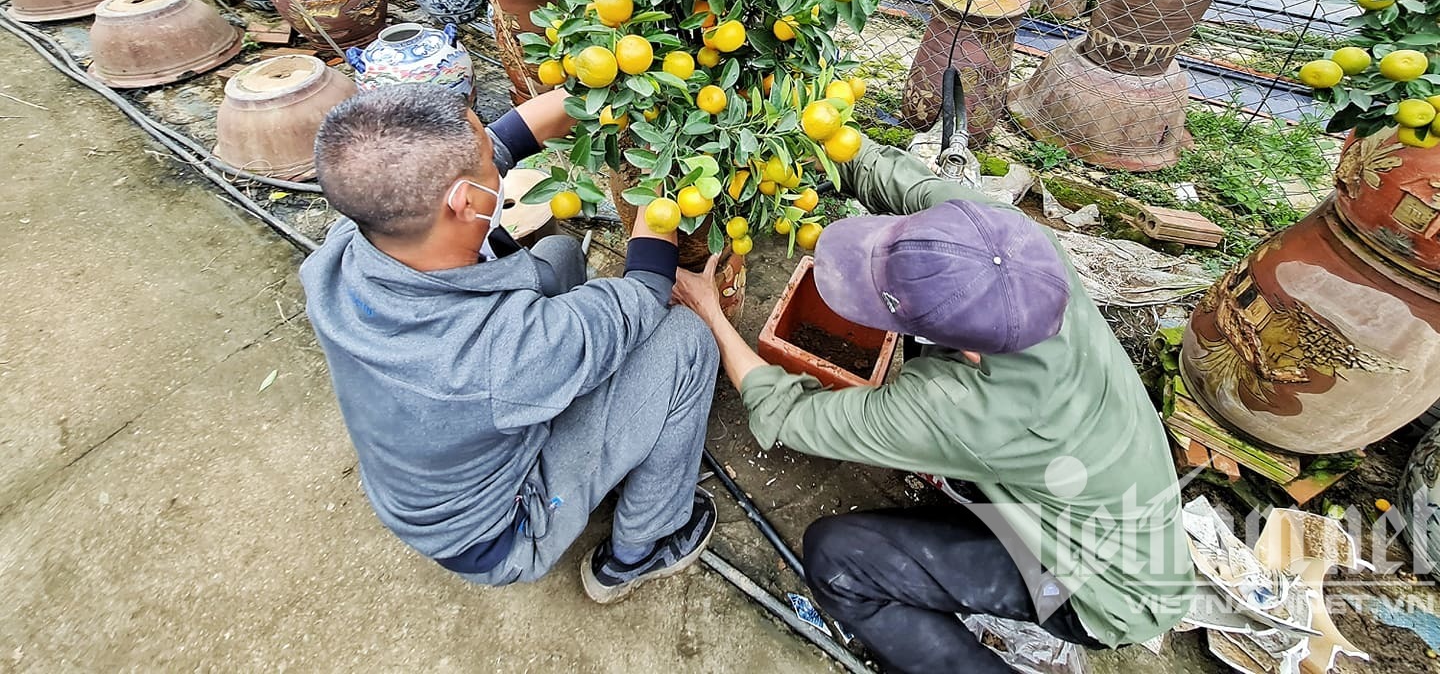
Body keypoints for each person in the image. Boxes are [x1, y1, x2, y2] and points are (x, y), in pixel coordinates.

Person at [673, 136, 1194, 673]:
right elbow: (899, 179)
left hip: (1100, 589)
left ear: (968, 349)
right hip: (1112, 502)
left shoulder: (968, 409)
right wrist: (798, 137)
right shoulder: (1011, 247)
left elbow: (787, 414)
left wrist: (710, 312)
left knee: (838, 562)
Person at [300, 84, 719, 603]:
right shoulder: (503, 352)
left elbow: (505, 138)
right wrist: (663, 176)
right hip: (501, 530)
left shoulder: (352, 243)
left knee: (560, 257)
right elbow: (647, 289)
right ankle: (638, 551)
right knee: (686, 339)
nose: (496, 162)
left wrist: (620, 85)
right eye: (486, 164)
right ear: (465, 202)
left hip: (431, 468)